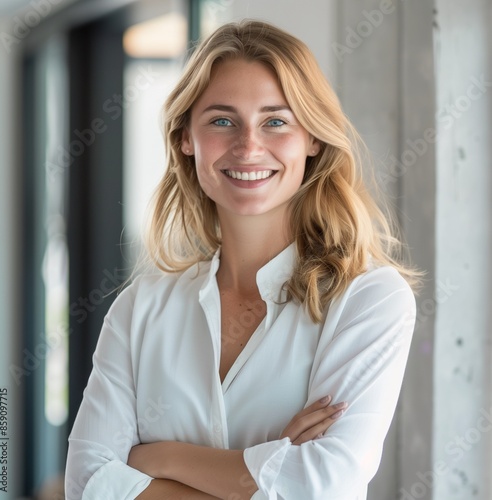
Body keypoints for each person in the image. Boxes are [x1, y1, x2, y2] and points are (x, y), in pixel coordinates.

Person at [65, 19, 418, 499]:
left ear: (312, 139)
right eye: (221, 120)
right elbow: (86, 482)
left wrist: (158, 458)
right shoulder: (139, 309)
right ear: (186, 139)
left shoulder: (368, 299)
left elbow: (323, 485)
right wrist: (266, 466)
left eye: (276, 121)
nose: (249, 146)